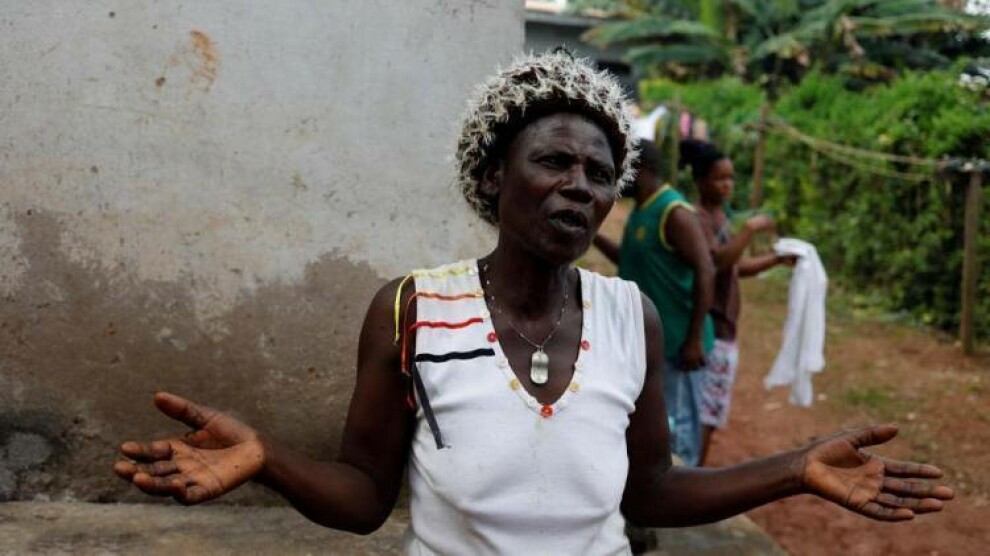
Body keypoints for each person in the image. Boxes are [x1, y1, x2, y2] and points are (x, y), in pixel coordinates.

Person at [114, 51, 952, 555]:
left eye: (599, 174)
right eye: (553, 162)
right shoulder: (411, 310)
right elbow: (365, 495)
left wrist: (794, 470)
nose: (580, 187)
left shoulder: (629, 317)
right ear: (493, 178)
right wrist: (267, 459)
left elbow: (649, 491)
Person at [592, 139, 715, 468]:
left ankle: (686, 491)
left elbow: (706, 270)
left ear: (639, 169)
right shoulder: (642, 208)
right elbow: (630, 260)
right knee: (659, 423)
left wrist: (693, 340)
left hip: (681, 343)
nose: (617, 177)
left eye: (621, 169)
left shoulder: (674, 212)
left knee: (681, 428)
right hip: (652, 342)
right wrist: (592, 234)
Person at [678, 139, 795, 466]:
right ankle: (691, 475)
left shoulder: (720, 216)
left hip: (726, 330)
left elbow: (735, 267)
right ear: (700, 181)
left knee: (711, 413)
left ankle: (694, 471)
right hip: (710, 329)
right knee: (702, 412)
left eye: (731, 178)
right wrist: (750, 230)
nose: (727, 184)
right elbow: (716, 262)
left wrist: (776, 259)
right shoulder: (697, 219)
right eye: (720, 178)